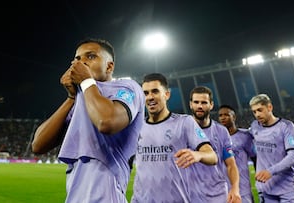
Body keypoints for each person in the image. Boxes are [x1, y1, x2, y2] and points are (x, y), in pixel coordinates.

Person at [31, 38, 145, 203]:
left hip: (106, 195)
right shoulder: (82, 98)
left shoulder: (127, 87)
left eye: (90, 57)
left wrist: (86, 81)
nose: (81, 62)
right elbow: (38, 145)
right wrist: (71, 97)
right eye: (77, 59)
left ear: (109, 66)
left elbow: (107, 122)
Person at [131, 73, 218, 203]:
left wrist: (198, 155)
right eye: (146, 93)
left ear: (167, 95)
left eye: (155, 91)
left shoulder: (184, 122)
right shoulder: (136, 126)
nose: (150, 97)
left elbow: (212, 156)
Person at [189, 86, 241, 203]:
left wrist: (235, 189)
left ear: (211, 105)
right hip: (190, 195)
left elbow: (231, 164)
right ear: (190, 104)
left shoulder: (221, 131)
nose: (200, 106)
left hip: (218, 195)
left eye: (204, 102)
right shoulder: (181, 130)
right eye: (196, 102)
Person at [249, 93, 294, 203]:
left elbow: (293, 156)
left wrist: (270, 171)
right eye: (254, 112)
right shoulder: (254, 126)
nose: (257, 114)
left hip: (287, 190)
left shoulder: (286, 126)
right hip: (266, 190)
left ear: (269, 107)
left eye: (260, 110)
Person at [218, 104, 257, 203]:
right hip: (222, 191)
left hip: (243, 191)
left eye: (226, 115)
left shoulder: (245, 136)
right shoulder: (216, 139)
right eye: (220, 115)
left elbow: (255, 158)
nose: (223, 118)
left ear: (234, 117)